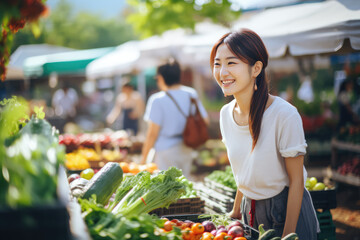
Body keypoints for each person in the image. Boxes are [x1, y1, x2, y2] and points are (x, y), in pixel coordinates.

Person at [210, 29, 319, 239]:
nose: (222, 72)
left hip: (287, 212)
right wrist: (234, 211)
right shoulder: (225, 115)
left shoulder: (284, 115)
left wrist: (289, 234)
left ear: (256, 68)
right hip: (249, 211)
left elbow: (297, 182)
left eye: (231, 63)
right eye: (217, 63)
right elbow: (245, 171)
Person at [141, 58, 209, 179]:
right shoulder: (191, 93)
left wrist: (143, 158)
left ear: (161, 78)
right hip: (186, 146)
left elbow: (152, 133)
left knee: (166, 188)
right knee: (184, 186)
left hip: (165, 149)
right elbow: (205, 120)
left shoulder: (157, 99)